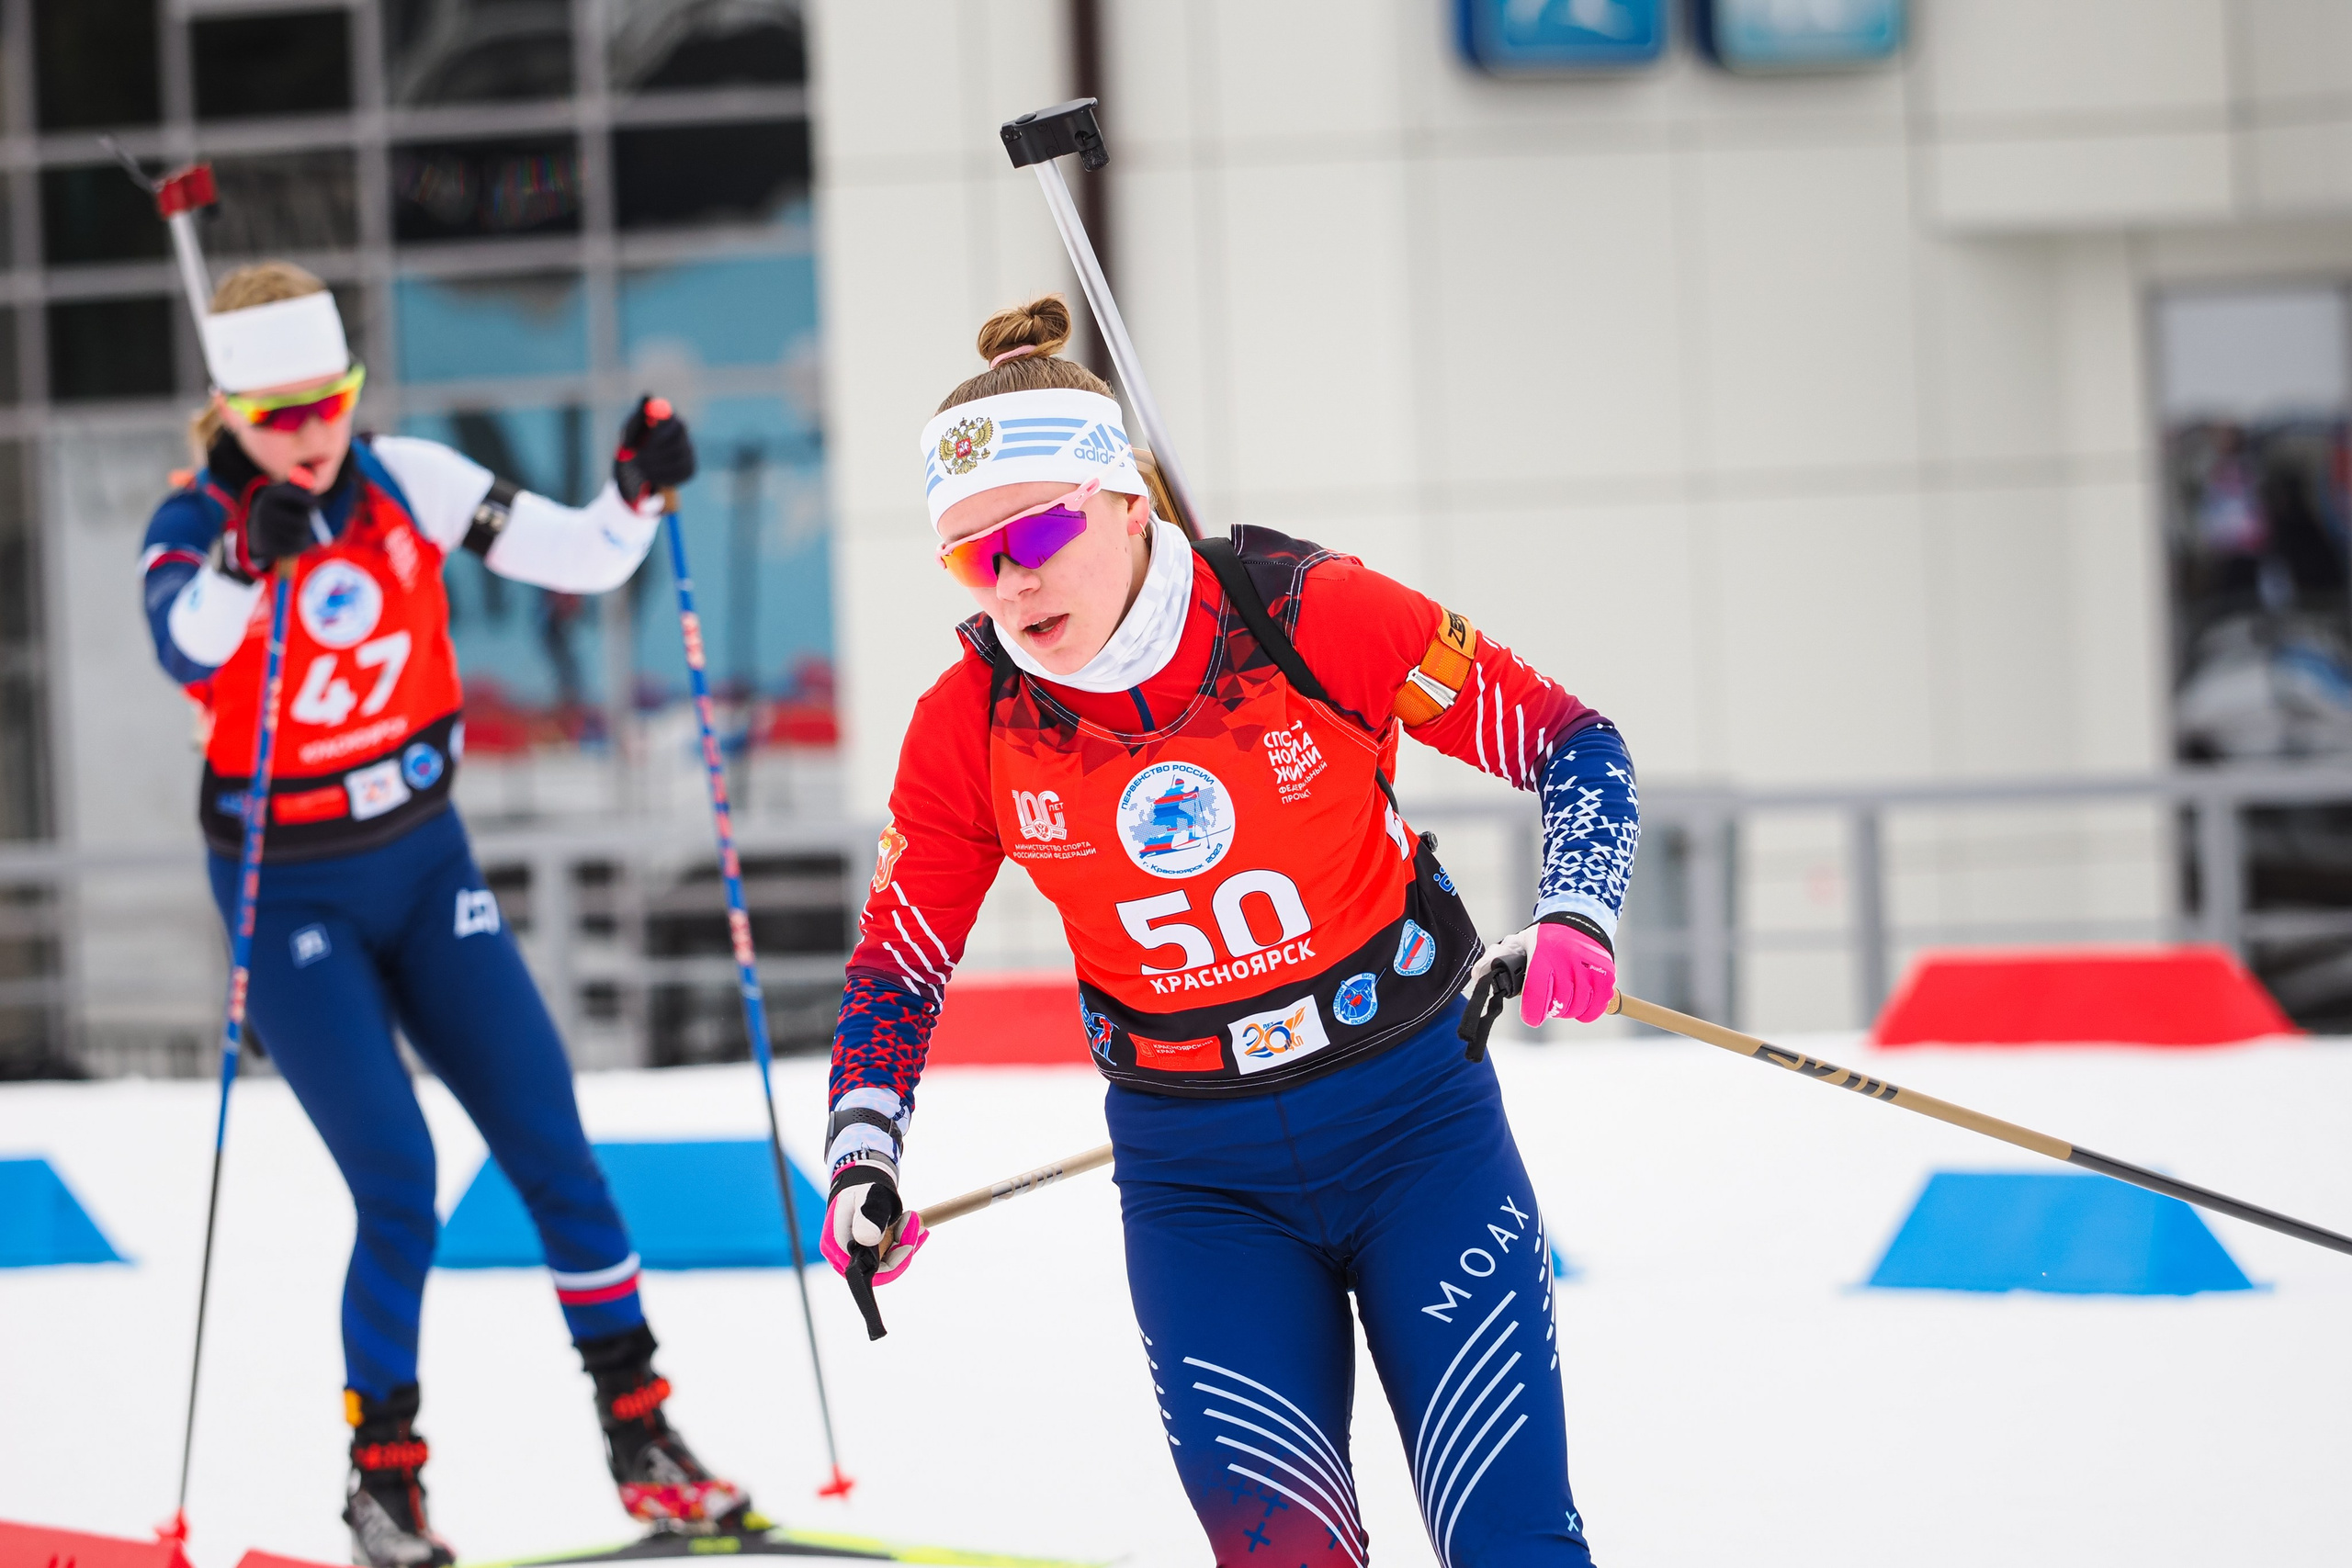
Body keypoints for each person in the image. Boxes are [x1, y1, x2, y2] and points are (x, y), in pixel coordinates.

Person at [818, 296, 1639, 1564]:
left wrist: (1576, 910)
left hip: (1416, 1125)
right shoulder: (969, 725)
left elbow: (1573, 745)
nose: (1012, 578)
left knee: (1516, 1545)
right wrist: (862, 1154)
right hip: (1200, 1182)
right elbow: (898, 962)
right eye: (972, 556)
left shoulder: (1307, 615)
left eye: (1036, 529)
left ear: (1127, 500)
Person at [138, 262, 752, 1566]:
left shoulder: (408, 478)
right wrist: (253, 560)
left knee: (553, 1145)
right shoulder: (196, 524)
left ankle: (643, 1437)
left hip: (424, 860)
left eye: (331, 403)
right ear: (231, 412)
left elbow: (582, 554)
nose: (311, 435)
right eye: (279, 414)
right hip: (288, 884)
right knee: (401, 1184)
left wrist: (635, 491)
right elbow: (187, 642)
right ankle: (385, 1483)